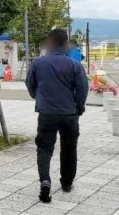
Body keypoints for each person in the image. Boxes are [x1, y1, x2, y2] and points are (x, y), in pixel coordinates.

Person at [25, 29, 88, 203]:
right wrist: (79, 107)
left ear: (50, 42)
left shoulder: (38, 63)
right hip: (69, 113)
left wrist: (39, 97)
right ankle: (67, 183)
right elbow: (82, 89)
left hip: (47, 113)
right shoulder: (74, 65)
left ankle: (45, 181)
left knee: (44, 148)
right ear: (66, 43)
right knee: (69, 148)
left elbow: (29, 83)